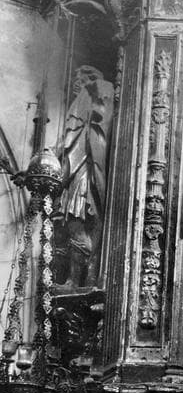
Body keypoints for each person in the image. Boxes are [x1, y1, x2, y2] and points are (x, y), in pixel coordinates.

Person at [57, 66, 114, 287]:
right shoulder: (77, 112)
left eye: (80, 80)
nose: (76, 85)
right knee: (70, 227)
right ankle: (75, 279)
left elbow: (104, 98)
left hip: (84, 173)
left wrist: (92, 86)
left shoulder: (95, 95)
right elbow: (64, 144)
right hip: (74, 172)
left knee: (77, 224)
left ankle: (76, 281)